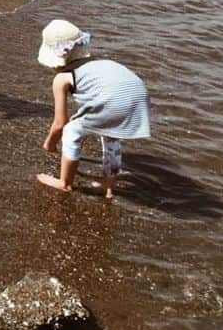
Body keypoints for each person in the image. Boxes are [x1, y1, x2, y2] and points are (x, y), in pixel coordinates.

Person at [36, 20, 151, 200]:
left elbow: (60, 123)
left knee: (71, 130)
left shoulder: (62, 78)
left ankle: (65, 183)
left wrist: (50, 144)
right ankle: (108, 187)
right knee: (111, 136)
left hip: (113, 100)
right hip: (137, 94)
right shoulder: (98, 63)